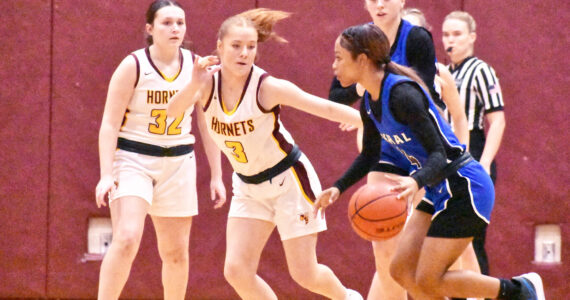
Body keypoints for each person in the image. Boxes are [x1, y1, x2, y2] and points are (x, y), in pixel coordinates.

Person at [315, 23, 544, 300]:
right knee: (400, 270)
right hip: (438, 188)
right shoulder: (369, 102)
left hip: (464, 186)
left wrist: (415, 180)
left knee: (430, 278)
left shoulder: (402, 94)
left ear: (362, 60)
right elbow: (370, 154)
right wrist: (338, 188)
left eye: (339, 57)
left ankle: (520, 290)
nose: (333, 65)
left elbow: (440, 153)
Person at [167, 8, 363, 300]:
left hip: (289, 181)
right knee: (236, 271)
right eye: (236, 46)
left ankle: (348, 298)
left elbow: (323, 107)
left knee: (304, 273)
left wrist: (365, 120)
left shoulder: (267, 87)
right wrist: (194, 83)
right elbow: (171, 112)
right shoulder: (206, 83)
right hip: (248, 184)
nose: (244, 53)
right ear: (219, 47)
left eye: (251, 47)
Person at [94, 1, 226, 299]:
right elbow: (109, 125)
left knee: (176, 253)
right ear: (149, 29)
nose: (175, 28)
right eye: (167, 23)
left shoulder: (197, 66)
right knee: (127, 238)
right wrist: (105, 175)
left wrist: (216, 175)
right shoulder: (133, 65)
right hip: (133, 160)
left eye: (180, 22)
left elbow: (207, 124)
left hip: (178, 162)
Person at [329, 1, 439, 299]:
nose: (379, 4)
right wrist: (364, 89)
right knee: (384, 244)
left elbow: (423, 93)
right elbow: (336, 95)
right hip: (385, 148)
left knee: (422, 251)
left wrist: (380, 95)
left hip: (422, 147)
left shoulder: (416, 38)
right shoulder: (358, 40)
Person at [403, 9, 483, 297]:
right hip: (410, 171)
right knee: (403, 257)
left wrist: (460, 161)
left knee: (459, 246)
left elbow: (459, 119)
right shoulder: (384, 75)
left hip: (443, 168)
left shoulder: (438, 73)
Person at [443, 10, 507, 279]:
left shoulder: (481, 70)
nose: (451, 40)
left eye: (457, 34)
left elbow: (498, 121)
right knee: (447, 242)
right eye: (446, 34)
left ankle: (484, 294)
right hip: (446, 155)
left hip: (474, 150)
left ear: (472, 38)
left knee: (471, 239)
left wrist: (484, 164)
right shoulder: (442, 73)